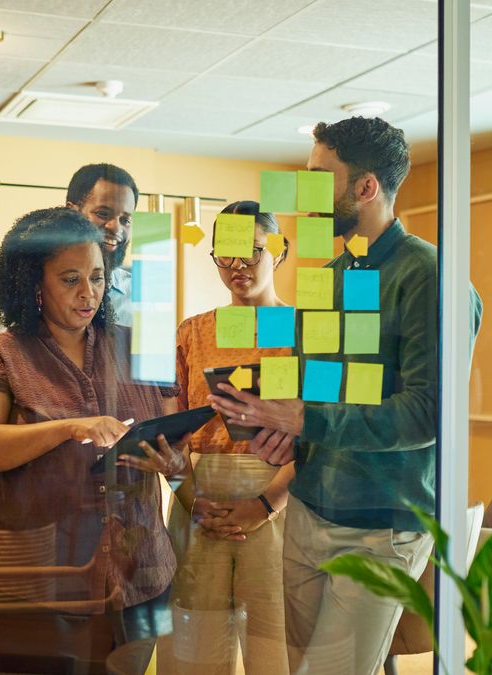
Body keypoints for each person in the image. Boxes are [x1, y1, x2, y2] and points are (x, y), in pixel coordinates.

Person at [209, 117, 484, 675]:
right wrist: (278, 428)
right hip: (309, 511)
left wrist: (306, 418)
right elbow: (323, 394)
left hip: (382, 524)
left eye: (318, 177)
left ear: (365, 187)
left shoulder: (430, 277)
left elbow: (428, 413)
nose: (305, 191)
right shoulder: (329, 277)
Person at [0, 207, 187, 673]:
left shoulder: (138, 349)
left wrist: (172, 462)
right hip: (38, 577)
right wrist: (70, 427)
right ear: (33, 284)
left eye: (97, 277)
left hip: (138, 572)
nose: (88, 292)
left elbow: (176, 444)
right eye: (70, 279)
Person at [159, 202, 294, 674]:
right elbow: (170, 430)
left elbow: (325, 436)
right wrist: (191, 498)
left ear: (278, 252)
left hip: (281, 495)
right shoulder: (192, 332)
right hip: (198, 499)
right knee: (193, 646)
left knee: (274, 643)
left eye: (251, 253)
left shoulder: (305, 333)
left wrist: (267, 503)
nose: (237, 267)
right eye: (225, 255)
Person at [0, 163, 140, 370]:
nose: (116, 227)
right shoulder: (24, 280)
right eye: (103, 214)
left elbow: (159, 388)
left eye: (125, 219)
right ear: (71, 212)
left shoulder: (140, 296)